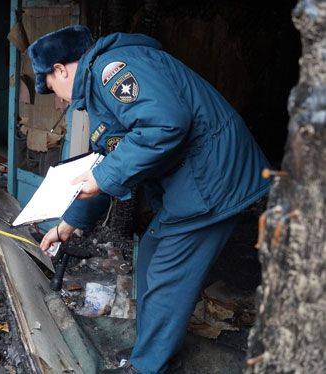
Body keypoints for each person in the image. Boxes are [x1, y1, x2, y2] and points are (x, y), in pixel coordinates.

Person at [27, 25, 271, 374]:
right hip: (196, 182)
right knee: (153, 258)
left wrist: (102, 178)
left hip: (213, 179)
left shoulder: (112, 69)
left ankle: (146, 367)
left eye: (53, 89)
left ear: (61, 69)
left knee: (164, 273)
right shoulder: (99, 88)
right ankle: (152, 351)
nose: (61, 100)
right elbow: (106, 163)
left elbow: (166, 124)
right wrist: (70, 222)